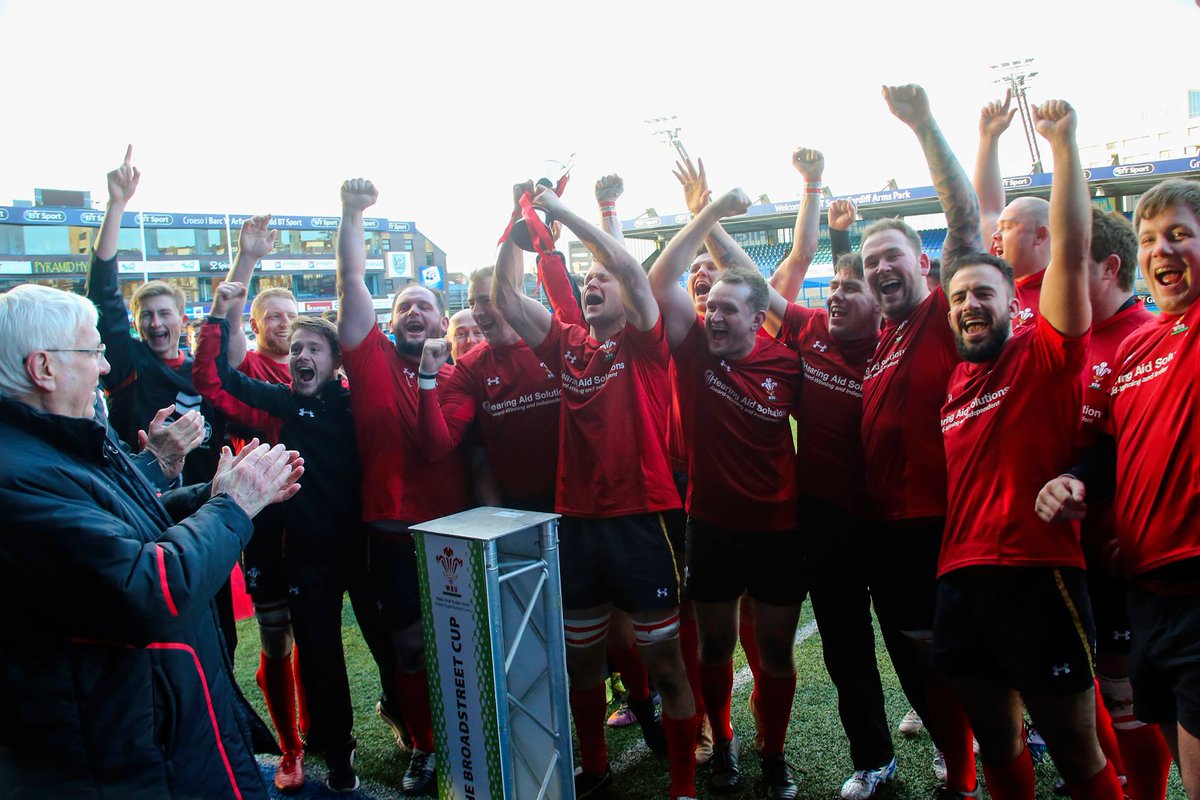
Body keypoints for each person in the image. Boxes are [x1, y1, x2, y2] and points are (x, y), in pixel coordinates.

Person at [0, 283, 302, 799]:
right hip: (124, 755)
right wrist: (232, 507)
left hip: (147, 731)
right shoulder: (17, 474)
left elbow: (123, 523)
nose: (103, 367)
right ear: (43, 368)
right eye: (92, 352)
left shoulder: (53, 440)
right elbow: (146, 587)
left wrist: (205, 490)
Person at [936, 99, 1124, 800]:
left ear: (1016, 303)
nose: (968, 305)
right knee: (998, 745)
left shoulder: (1043, 355)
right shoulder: (955, 377)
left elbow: (1070, 250)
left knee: (1078, 754)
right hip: (960, 578)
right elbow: (975, 223)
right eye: (957, 298)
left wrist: (1066, 145)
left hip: (1038, 574)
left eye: (983, 293)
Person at [493, 182, 698, 800]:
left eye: (600, 278)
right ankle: (597, 765)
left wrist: (560, 214)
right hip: (577, 524)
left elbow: (635, 273)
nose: (594, 282)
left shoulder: (643, 343)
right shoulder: (568, 348)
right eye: (587, 279)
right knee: (582, 662)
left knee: (664, 662)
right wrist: (514, 225)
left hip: (641, 519)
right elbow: (506, 295)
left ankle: (683, 787)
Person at [1037, 177, 1200, 798]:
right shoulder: (1139, 346)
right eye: (1151, 238)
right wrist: (1074, 484)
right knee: (1162, 740)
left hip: (1194, 586)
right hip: (1143, 586)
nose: (1162, 250)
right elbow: (1111, 450)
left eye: (1180, 235)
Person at [649, 184, 804, 799]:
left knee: (774, 650)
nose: (711, 314)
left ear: (755, 315)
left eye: (726, 309)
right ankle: (725, 743)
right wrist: (706, 213)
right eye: (708, 305)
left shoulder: (787, 364)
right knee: (714, 645)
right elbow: (662, 283)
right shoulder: (692, 353)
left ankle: (774, 753)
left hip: (778, 530)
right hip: (710, 525)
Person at [859, 84, 981, 799]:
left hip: (945, 525)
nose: (880, 268)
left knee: (956, 658)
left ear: (925, 264)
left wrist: (925, 124)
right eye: (871, 260)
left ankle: (973, 766)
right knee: (914, 653)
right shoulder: (881, 339)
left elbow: (965, 217)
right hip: (890, 532)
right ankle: (955, 766)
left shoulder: (941, 314)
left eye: (892, 256)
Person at [335, 178, 467, 795]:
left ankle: (468, 734)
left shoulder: (461, 377)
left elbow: (441, 445)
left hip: (450, 534)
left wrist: (434, 380)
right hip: (390, 534)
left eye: (425, 307)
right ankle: (424, 744)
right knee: (410, 648)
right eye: (403, 308)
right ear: (389, 324)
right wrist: (353, 213)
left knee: (458, 649)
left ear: (443, 321)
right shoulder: (369, 359)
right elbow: (351, 283)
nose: (414, 313)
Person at [85, 146, 237, 657]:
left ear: (181, 318)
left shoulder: (202, 369)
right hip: (149, 516)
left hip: (209, 514)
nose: (154, 322)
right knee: (166, 636)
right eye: (145, 314)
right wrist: (117, 206)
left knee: (221, 633)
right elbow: (102, 292)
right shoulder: (129, 367)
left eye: (163, 312)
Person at [197, 215, 309, 790]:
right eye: (275, 318)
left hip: (314, 515)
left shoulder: (320, 368)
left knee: (314, 626)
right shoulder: (249, 367)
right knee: (275, 633)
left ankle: (317, 727)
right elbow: (227, 339)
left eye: (293, 317)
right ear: (259, 324)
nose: (285, 325)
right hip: (264, 514)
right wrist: (247, 261)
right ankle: (290, 746)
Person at [1074, 210, 1169, 800]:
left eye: (1071, 260)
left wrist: (1138, 526)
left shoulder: (1151, 337)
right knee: (1100, 689)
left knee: (1134, 691)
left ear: (1109, 268)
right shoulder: (1070, 334)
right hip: (1069, 550)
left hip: (1126, 556)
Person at [973, 88, 1051, 329]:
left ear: (1040, 235)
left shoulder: (1063, 291)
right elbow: (985, 210)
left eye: (1006, 228)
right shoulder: (999, 284)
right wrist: (988, 137)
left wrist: (1061, 143)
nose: (995, 235)